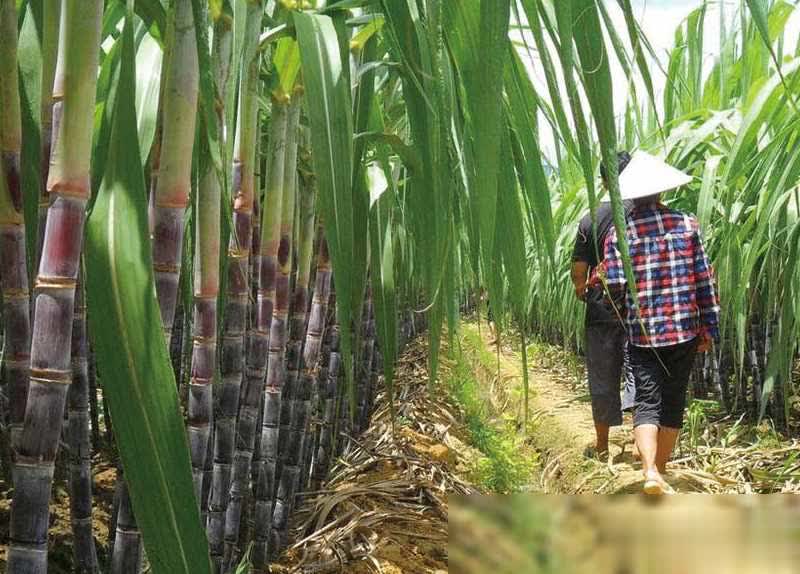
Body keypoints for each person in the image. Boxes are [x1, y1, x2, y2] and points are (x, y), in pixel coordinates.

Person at [600, 151, 720, 495]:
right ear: (662, 191)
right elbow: (704, 280)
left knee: (647, 401)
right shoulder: (687, 224)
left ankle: (651, 472)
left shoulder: (621, 234)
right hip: (684, 329)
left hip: (644, 332)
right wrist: (708, 326)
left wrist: (626, 316)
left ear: (632, 193)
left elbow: (617, 286)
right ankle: (661, 470)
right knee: (673, 400)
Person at [571, 151, 637, 461]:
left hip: (602, 307)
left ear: (604, 181)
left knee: (603, 374)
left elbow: (579, 273)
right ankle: (641, 443)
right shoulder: (642, 213)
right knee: (641, 369)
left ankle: (602, 445)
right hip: (640, 306)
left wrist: (582, 290)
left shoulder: (590, 220)